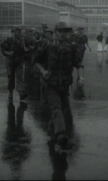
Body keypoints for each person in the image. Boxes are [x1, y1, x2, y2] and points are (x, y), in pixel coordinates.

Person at [33, 21, 84, 151]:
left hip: (65, 85)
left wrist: (80, 77)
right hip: (51, 84)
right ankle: (61, 135)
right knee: (56, 109)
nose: (62, 34)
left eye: (65, 32)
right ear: (56, 33)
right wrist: (43, 71)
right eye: (60, 31)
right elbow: (37, 61)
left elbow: (78, 64)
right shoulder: (48, 46)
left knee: (64, 109)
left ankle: (52, 129)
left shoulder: (72, 47)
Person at [1, 27, 29, 100]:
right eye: (17, 32)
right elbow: (3, 50)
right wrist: (9, 53)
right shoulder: (9, 41)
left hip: (19, 61)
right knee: (11, 78)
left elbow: (24, 51)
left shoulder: (22, 41)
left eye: (20, 32)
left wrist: (26, 50)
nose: (19, 33)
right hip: (10, 62)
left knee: (19, 77)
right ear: (14, 32)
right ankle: (10, 93)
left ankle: (21, 93)